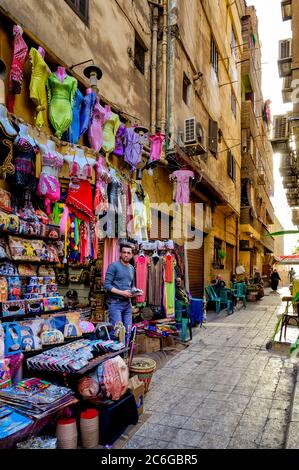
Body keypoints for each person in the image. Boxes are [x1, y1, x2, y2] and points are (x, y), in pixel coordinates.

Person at [103, 243, 139, 345]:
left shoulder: (132, 268)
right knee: (117, 332)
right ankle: (116, 356)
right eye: (124, 252)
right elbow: (107, 285)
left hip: (127, 304)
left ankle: (125, 355)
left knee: (128, 331)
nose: (126, 255)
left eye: (128, 253)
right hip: (115, 303)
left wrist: (136, 292)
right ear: (120, 254)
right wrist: (122, 293)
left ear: (132, 255)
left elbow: (132, 286)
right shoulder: (113, 266)